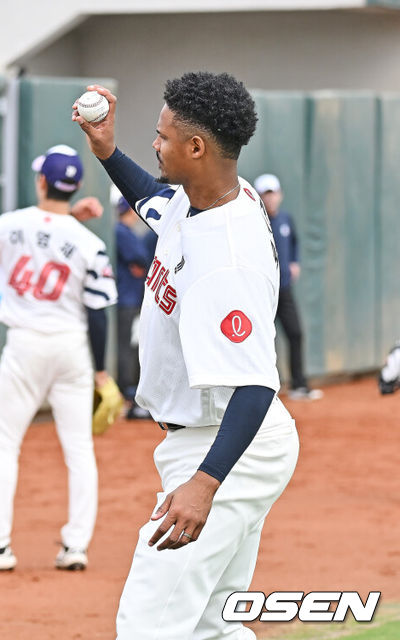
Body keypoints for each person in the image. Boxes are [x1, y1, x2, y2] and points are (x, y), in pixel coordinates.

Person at [74, 72, 300, 638]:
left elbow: (255, 384)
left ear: (196, 147)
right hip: (211, 435)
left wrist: (206, 483)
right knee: (210, 627)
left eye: (163, 136)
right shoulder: (201, 198)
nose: (155, 144)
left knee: (147, 627)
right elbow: (153, 200)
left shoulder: (229, 260)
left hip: (226, 444)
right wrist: (108, 152)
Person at [0, 144, 117, 573]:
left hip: (24, 345)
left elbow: (28, 245)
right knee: (79, 450)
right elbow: (98, 313)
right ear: (76, 185)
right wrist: (101, 371)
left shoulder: (7, 225)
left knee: (3, 446)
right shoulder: (91, 244)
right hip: (72, 347)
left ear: (42, 181)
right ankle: (76, 546)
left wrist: (67, 218)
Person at [254, 173, 323, 401]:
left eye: (273, 194)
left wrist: (294, 262)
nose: (270, 198)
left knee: (295, 333)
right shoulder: (254, 221)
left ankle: (299, 385)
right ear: (259, 197)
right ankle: (262, 391)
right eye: (265, 194)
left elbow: (294, 241)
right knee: (261, 341)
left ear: (280, 195)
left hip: (284, 290)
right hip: (261, 293)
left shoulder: (286, 219)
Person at [113, 191, 154, 420]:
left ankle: (132, 394)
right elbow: (140, 259)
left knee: (136, 346)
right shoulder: (121, 231)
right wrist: (140, 265)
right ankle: (127, 394)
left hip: (133, 299)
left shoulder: (128, 232)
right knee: (128, 348)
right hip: (127, 300)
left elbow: (142, 263)